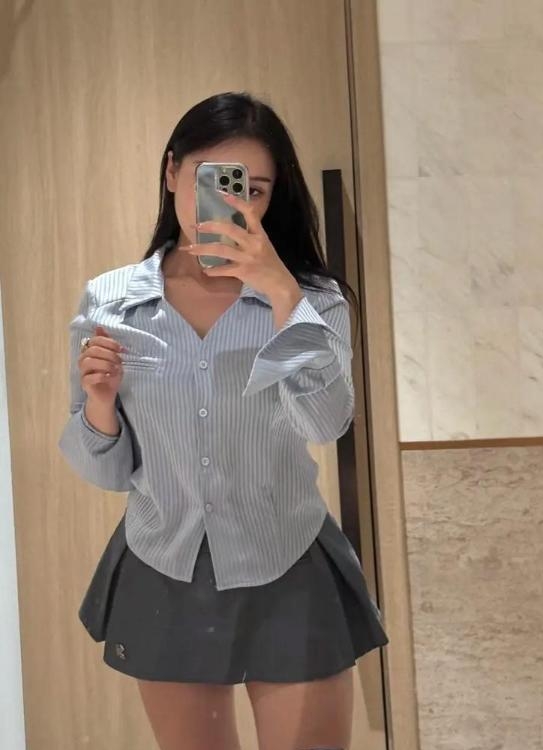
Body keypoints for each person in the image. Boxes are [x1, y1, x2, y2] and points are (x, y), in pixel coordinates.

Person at [59, 91, 388, 750]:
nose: (236, 202)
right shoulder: (112, 303)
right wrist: (99, 403)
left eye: (253, 189)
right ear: (172, 172)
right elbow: (108, 473)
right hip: (166, 565)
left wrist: (282, 294)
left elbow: (325, 423)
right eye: (214, 179)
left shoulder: (312, 300)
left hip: (286, 562)